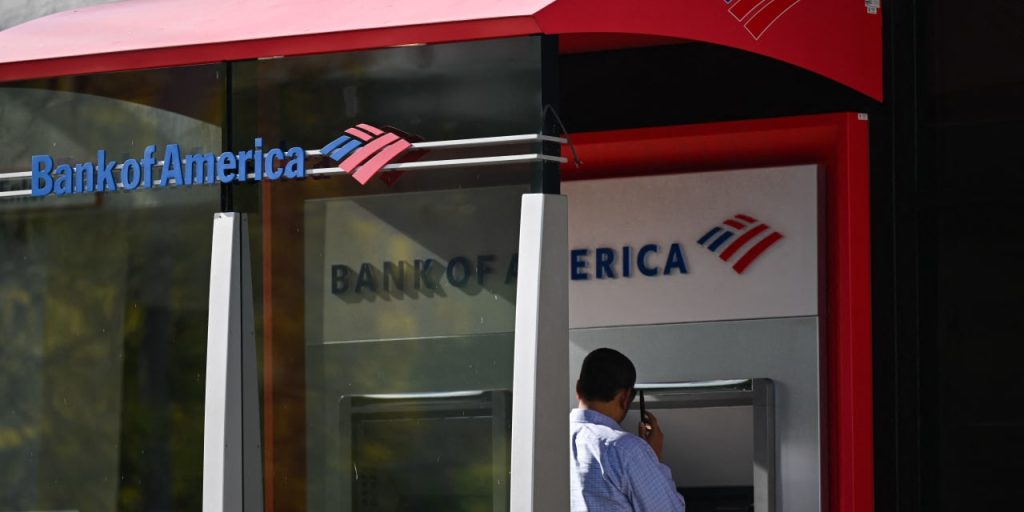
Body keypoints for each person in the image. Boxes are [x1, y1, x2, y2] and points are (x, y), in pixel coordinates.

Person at [570, 348, 685, 512]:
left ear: (578, 389)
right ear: (625, 397)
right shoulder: (626, 449)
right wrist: (652, 459)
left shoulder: (547, 440)